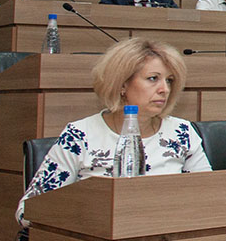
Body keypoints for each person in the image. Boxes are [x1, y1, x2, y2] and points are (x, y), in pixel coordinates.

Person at [17, 39, 211, 224]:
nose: (165, 89)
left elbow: (211, 195)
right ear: (122, 84)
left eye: (169, 80)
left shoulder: (182, 132)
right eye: (153, 79)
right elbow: (27, 211)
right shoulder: (79, 135)